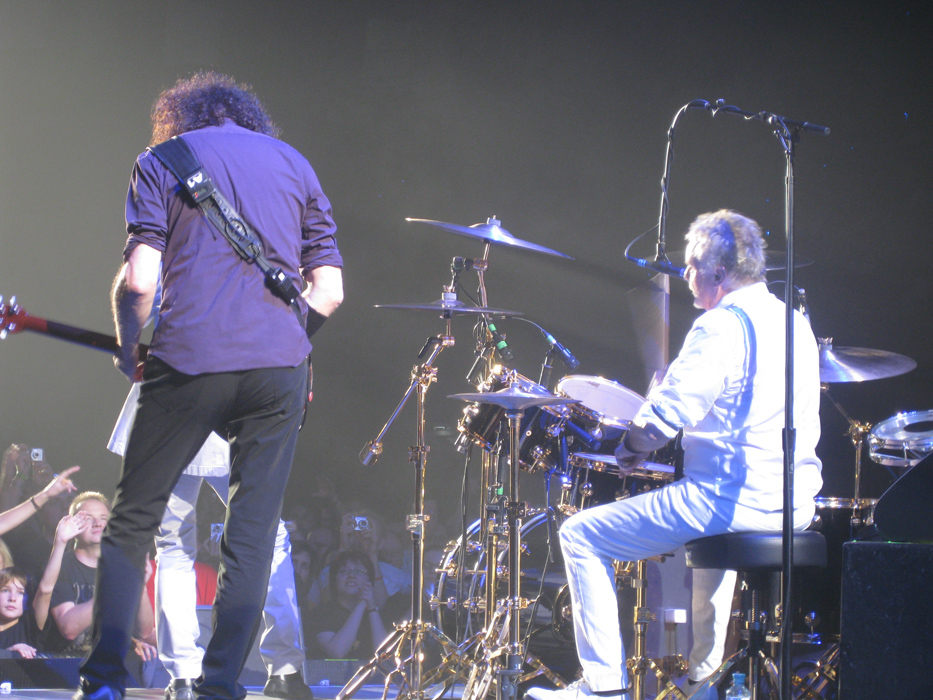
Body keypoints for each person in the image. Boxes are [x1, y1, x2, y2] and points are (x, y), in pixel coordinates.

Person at [76, 71, 343, 700]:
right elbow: (330, 291)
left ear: (180, 118)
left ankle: (105, 680)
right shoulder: (296, 164)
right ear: (248, 118)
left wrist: (127, 347)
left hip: (190, 361)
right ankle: (221, 687)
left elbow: (140, 282)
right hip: (280, 373)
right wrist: (283, 343)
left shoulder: (161, 161)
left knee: (135, 521)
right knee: (252, 533)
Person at [526, 210, 823, 700]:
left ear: (719, 273)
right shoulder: (796, 323)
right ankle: (704, 681)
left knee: (580, 535)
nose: (685, 275)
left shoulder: (721, 325)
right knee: (712, 543)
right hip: (792, 503)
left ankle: (601, 688)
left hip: (729, 499)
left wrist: (629, 447)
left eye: (691, 267)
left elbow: (661, 422)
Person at [110, 360, 316, 700]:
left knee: (173, 546)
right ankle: (284, 668)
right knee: (266, 535)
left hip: (172, 397)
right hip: (234, 398)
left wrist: (127, 349)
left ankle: (183, 676)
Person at [38, 492, 155, 658]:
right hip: (64, 663)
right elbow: (69, 629)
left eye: (103, 518)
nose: (97, 523)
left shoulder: (122, 566)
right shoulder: (60, 566)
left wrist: (140, 587)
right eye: (88, 518)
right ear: (73, 524)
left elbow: (144, 632)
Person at [307, 551, 388, 661]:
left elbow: (385, 656)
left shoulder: (375, 615)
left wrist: (372, 607)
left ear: (369, 579)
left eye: (359, 571)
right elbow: (337, 652)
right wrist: (362, 603)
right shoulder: (321, 614)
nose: (351, 575)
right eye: (344, 571)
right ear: (334, 580)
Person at [0, 566, 43, 657]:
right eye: (5, 591)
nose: (12, 598)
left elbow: (46, 589)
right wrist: (8, 653)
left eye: (20, 593)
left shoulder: (29, 628)